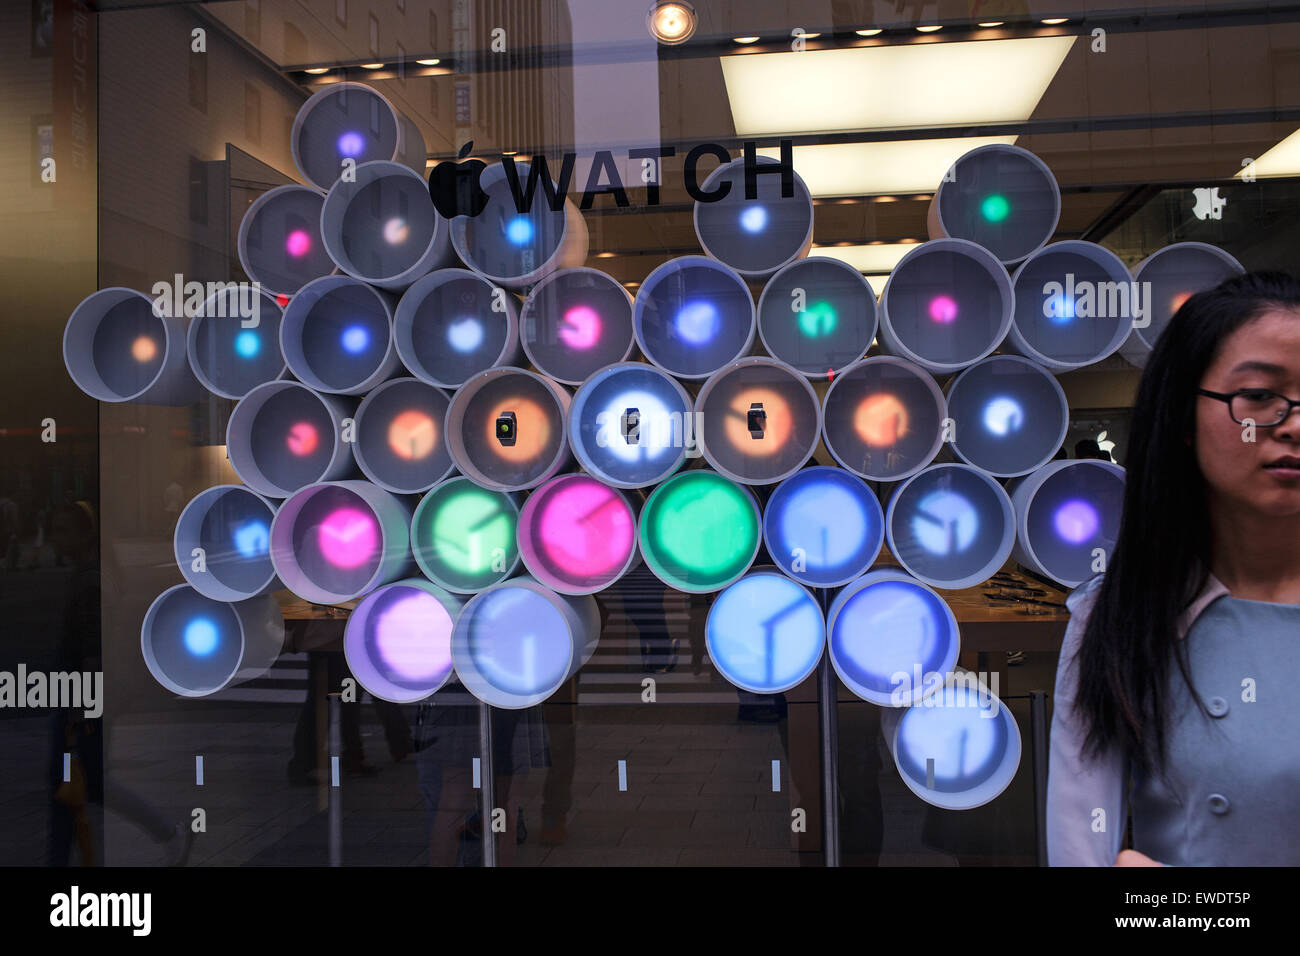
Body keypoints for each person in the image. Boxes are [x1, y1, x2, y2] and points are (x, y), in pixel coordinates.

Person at [1047, 271, 1300, 866]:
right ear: (1184, 417)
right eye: (1260, 396)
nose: (1293, 423)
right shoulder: (1121, 616)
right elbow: (1081, 846)